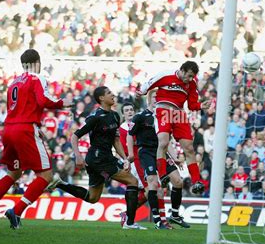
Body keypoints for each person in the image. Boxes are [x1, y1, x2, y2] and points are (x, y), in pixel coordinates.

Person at [0, 49, 73, 229]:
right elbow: (43, 100)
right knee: (46, 175)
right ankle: (16, 210)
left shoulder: (13, 83)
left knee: (14, 173)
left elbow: (17, 108)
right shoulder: (38, 78)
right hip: (25, 129)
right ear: (37, 61)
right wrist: (62, 103)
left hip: (9, 129)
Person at [53, 86, 146, 230]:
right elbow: (75, 136)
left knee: (93, 198)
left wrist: (125, 158)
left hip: (104, 158)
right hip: (98, 159)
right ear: (102, 98)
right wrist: (78, 155)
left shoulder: (115, 115)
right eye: (109, 93)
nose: (113, 94)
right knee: (132, 181)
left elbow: (115, 140)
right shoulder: (95, 117)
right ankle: (129, 222)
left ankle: (60, 184)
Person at [137, 61, 210, 195]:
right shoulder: (166, 75)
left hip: (179, 113)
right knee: (163, 142)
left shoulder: (191, 84)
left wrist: (201, 106)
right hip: (163, 110)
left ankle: (196, 181)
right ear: (181, 70)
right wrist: (141, 91)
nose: (189, 79)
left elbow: (192, 104)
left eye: (192, 77)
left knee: (189, 148)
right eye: (188, 75)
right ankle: (163, 174)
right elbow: (149, 84)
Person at [128, 91, 190, 229]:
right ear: (149, 99)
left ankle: (174, 215)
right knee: (153, 183)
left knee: (178, 181)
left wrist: (175, 158)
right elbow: (129, 135)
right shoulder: (140, 117)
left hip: (161, 152)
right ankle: (157, 220)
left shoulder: (164, 117)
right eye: (155, 97)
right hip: (146, 152)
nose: (158, 100)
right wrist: (131, 154)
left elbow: (166, 141)